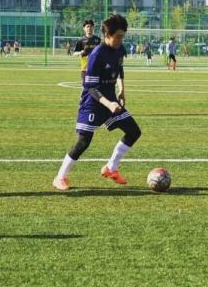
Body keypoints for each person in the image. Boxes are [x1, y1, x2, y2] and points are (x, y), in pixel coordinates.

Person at [53, 14, 142, 191]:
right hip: (92, 103)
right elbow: (91, 87)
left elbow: (120, 68)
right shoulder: (96, 54)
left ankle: (111, 168)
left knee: (134, 132)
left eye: (123, 36)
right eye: (118, 36)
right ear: (107, 35)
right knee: (83, 142)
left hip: (111, 100)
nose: (121, 40)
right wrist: (109, 104)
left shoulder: (119, 49)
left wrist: (122, 90)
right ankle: (60, 177)